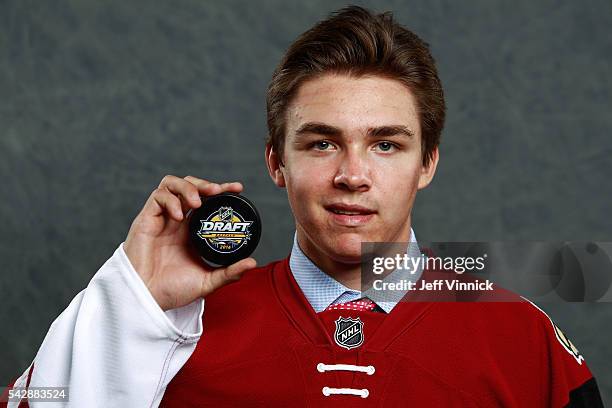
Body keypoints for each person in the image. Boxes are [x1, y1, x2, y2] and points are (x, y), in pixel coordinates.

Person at [2, 5, 603, 407]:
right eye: (321, 143)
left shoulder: (521, 335)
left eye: (386, 144)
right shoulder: (173, 323)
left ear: (428, 164)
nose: (352, 175)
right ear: (276, 162)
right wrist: (131, 303)